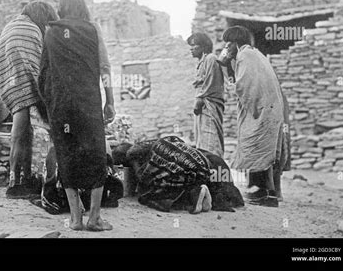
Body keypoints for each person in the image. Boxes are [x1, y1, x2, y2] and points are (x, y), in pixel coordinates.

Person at [38, 0, 116, 231]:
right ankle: (94, 218)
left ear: (61, 9)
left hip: (61, 105)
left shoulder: (51, 33)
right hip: (88, 103)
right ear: (82, 8)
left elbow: (43, 74)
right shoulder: (91, 30)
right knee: (95, 157)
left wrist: (49, 104)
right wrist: (109, 100)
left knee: (67, 155)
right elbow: (104, 68)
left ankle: (75, 219)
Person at [218, 25, 291, 207]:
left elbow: (243, 87)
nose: (227, 48)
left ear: (235, 43)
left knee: (254, 146)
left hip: (262, 111)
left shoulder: (245, 56)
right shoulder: (256, 54)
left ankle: (263, 195)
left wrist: (226, 66)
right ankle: (271, 194)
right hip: (271, 110)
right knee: (266, 150)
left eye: (228, 44)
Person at [0, 1, 58, 199]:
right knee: (22, 131)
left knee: (21, 132)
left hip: (11, 83)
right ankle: (16, 185)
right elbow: (38, 64)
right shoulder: (31, 29)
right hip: (26, 81)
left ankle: (19, 179)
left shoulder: (11, 26)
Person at [111, 136, 244, 213]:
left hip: (187, 168)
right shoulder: (148, 142)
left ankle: (195, 193)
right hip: (205, 162)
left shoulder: (132, 154)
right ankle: (208, 193)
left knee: (150, 194)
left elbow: (143, 176)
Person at [188, 33, 225, 158]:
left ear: (203, 47)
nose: (191, 49)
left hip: (209, 105)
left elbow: (211, 82)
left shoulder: (211, 59)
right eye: (190, 46)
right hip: (202, 107)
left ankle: (214, 166)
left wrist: (199, 100)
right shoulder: (201, 63)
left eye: (194, 45)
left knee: (210, 138)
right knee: (202, 140)